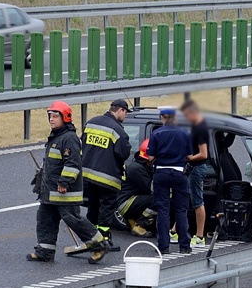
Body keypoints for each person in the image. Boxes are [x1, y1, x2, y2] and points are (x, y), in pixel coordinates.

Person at [28, 101, 108, 264]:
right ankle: (45, 251)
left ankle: (99, 245)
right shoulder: (56, 137)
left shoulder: (69, 138)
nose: (51, 119)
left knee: (74, 220)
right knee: (45, 219)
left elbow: (73, 163)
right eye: (50, 116)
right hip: (50, 192)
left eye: (55, 116)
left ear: (65, 117)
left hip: (65, 191)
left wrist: (64, 182)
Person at [81, 99, 131, 247]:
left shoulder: (91, 122)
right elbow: (124, 153)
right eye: (126, 113)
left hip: (88, 175)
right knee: (106, 208)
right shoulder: (117, 130)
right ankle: (103, 239)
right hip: (107, 177)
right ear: (120, 110)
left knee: (93, 207)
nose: (126, 116)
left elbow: (83, 143)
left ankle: (90, 237)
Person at [147, 108, 193, 255]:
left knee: (163, 210)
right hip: (179, 173)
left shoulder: (156, 133)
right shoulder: (185, 133)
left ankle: (163, 246)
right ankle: (184, 245)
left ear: (162, 117)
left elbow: (149, 157)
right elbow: (190, 155)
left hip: (161, 173)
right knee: (181, 210)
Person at [181, 100, 210, 248]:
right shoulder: (198, 126)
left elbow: (203, 153)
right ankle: (175, 230)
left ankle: (200, 236)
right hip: (195, 168)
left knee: (197, 202)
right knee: (185, 198)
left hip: (197, 168)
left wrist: (191, 157)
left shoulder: (199, 128)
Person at [116, 138, 156, 238]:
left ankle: (132, 219)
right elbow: (150, 189)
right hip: (126, 203)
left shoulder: (138, 165)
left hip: (126, 200)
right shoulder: (137, 169)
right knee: (159, 199)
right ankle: (140, 225)